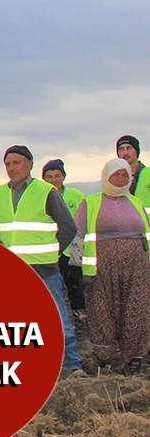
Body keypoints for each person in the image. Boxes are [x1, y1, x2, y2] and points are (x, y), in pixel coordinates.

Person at [0, 145, 83, 377]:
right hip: (11, 271)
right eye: (8, 164)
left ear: (29, 164)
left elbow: (68, 227)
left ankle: (71, 365)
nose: (11, 168)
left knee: (57, 318)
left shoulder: (45, 191)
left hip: (44, 269)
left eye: (16, 163)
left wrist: (52, 252)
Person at [75, 158, 150, 376]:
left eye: (124, 175)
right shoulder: (91, 202)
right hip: (101, 268)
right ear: (106, 177)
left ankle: (135, 360)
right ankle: (104, 360)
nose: (120, 179)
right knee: (102, 312)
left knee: (136, 311)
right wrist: (78, 267)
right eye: (115, 175)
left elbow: (145, 234)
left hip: (136, 267)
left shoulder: (135, 202)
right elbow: (79, 235)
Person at [42, 159, 86, 325]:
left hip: (72, 251)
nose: (54, 180)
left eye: (57, 176)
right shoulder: (40, 196)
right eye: (49, 176)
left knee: (76, 289)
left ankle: (81, 329)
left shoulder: (77, 196)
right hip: (49, 251)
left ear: (64, 176)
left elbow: (81, 226)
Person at [117, 135, 150, 215]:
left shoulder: (148, 174)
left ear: (136, 151)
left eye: (129, 148)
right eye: (121, 149)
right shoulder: (114, 178)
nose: (125, 153)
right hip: (124, 225)